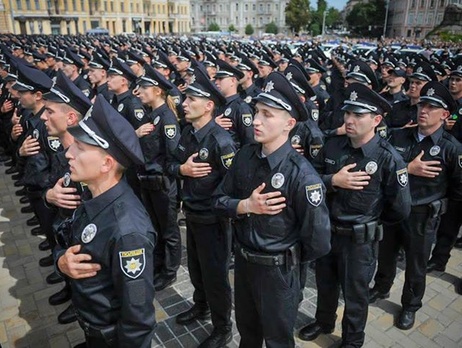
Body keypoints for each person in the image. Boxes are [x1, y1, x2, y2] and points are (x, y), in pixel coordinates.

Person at [213, 71, 331, 347]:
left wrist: (287, 259)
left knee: (278, 339)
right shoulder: (245, 156)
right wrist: (245, 206)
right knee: (248, 332)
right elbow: (218, 201)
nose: (256, 120)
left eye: (267, 114)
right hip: (244, 264)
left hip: (279, 272)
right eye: (257, 112)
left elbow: (318, 240)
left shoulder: (302, 175)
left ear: (289, 123)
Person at [299, 83, 411, 347]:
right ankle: (324, 321)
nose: (349, 120)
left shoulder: (388, 158)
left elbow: (400, 208)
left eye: (358, 115)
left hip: (360, 241)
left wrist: (371, 222)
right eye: (348, 113)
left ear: (376, 120)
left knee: (355, 295)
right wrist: (332, 180)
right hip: (328, 231)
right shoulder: (333, 145)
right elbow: (311, 178)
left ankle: (352, 340)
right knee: (326, 284)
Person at [56, 95, 156, 347]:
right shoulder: (90, 193)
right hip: (92, 326)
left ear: (106, 164)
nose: (69, 153)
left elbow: (138, 319)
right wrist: (61, 260)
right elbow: (66, 236)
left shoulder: (128, 232)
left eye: (79, 146)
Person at [370, 81, 462, 331]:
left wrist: (439, 210)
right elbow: (379, 167)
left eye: (431, 107)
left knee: (416, 264)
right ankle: (381, 287)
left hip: (422, 217)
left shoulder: (451, 149)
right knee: (386, 255)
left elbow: (457, 190)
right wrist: (407, 168)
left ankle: (410, 305)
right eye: (422, 104)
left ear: (444, 115)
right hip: (393, 212)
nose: (423, 110)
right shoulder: (398, 135)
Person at [167, 64, 236, 347]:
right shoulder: (187, 133)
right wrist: (181, 171)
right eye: (185, 99)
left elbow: (232, 186)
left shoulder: (221, 141)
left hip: (213, 221)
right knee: (196, 268)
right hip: (192, 215)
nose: (184, 104)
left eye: (191, 100)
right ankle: (201, 304)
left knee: (216, 275)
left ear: (209, 106)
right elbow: (171, 165)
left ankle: (222, 326)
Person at [40, 70, 93, 325]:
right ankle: (71, 292)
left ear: (71, 117)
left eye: (50, 112)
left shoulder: (87, 159)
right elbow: (49, 186)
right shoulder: (61, 150)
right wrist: (49, 196)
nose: (43, 117)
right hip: (66, 237)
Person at [135, 64, 181, 292]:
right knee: (156, 227)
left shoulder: (167, 119)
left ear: (157, 91)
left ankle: (170, 271)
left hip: (162, 184)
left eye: (144, 88)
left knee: (169, 230)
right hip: (149, 182)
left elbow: (172, 156)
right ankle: (159, 264)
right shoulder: (151, 116)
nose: (139, 92)